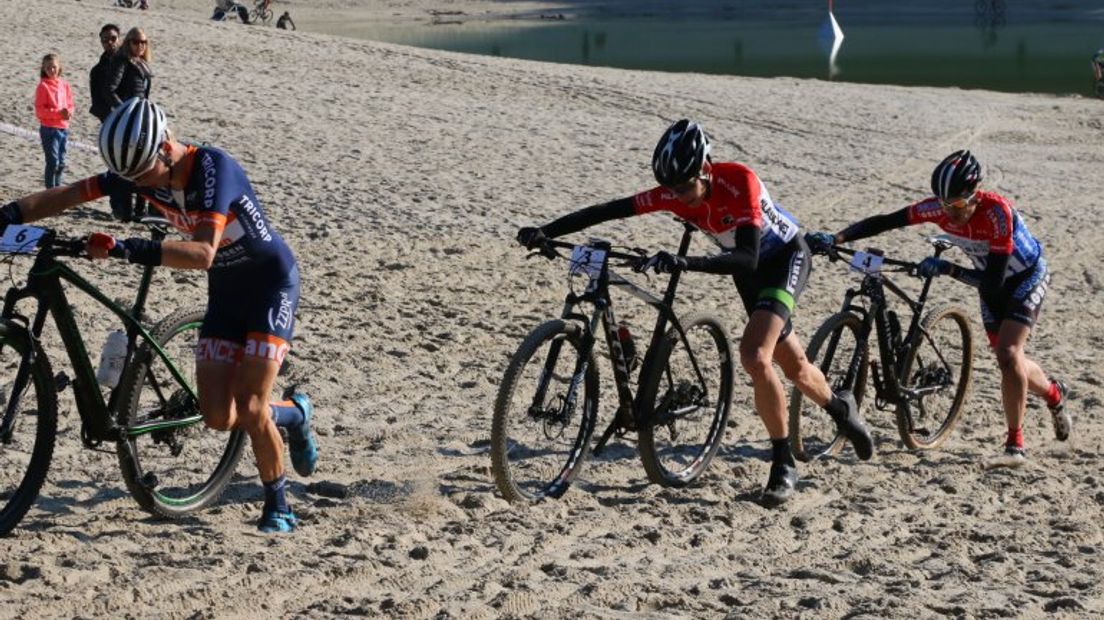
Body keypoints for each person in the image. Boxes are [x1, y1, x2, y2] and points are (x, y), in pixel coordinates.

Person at [0, 98, 319, 532]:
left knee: (249, 404)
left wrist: (126, 248)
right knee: (218, 417)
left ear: (165, 148)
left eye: (141, 175)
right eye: (129, 178)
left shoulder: (213, 169)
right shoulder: (141, 170)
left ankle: (278, 504)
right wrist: (11, 214)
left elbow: (204, 252)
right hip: (227, 293)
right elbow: (73, 193)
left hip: (269, 285)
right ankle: (296, 413)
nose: (136, 185)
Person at [516, 119, 873, 506]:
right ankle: (840, 407)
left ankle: (782, 462)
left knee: (755, 355)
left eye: (685, 188)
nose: (678, 197)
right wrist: (546, 230)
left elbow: (747, 258)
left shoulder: (740, 182)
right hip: (744, 267)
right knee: (796, 366)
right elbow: (608, 210)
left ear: (705, 169)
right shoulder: (674, 192)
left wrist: (686, 263)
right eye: (670, 189)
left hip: (782, 259)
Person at [807, 150, 1070, 468]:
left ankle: (1015, 444)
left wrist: (948, 269)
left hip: (1023, 279)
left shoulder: (997, 213)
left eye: (957, 205)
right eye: (944, 205)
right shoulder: (940, 208)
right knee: (1011, 361)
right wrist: (837, 237)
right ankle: (1054, 394)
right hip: (990, 281)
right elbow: (886, 221)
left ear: (974, 195)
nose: (950, 213)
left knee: (1009, 354)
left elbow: (993, 282)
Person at [103, 27, 154, 222]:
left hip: (141, 118)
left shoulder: (142, 63)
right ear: (128, 42)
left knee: (144, 164)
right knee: (128, 165)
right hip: (128, 121)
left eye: (144, 42)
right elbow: (110, 89)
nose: (140, 45)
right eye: (135, 41)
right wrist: (124, 111)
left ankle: (140, 210)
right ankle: (125, 210)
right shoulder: (122, 61)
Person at [34, 54, 74, 189]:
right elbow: (40, 112)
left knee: (62, 163)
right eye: (48, 68)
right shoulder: (43, 86)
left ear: (59, 67)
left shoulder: (64, 85)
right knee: (53, 162)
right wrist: (58, 114)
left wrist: (69, 112)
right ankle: (50, 192)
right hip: (49, 129)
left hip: (63, 128)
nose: (51, 70)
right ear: (44, 69)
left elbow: (70, 104)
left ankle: (57, 190)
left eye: (54, 67)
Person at [89, 24, 120, 122]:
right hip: (112, 119)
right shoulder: (97, 71)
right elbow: (97, 103)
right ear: (101, 42)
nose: (110, 42)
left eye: (113, 38)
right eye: (105, 40)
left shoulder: (132, 61)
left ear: (119, 39)